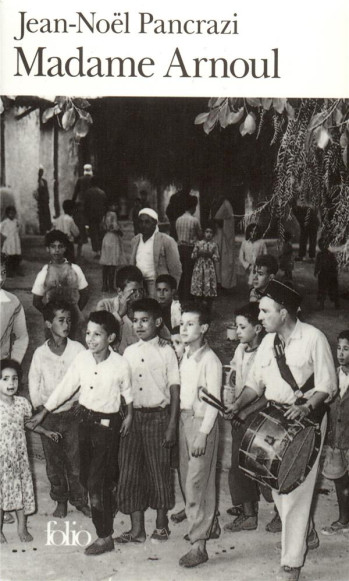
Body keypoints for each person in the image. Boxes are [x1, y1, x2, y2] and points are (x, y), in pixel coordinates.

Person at [229, 279, 337, 581]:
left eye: (265, 311)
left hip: (307, 420)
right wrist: (237, 405)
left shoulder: (314, 338)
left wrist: (306, 406)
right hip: (274, 417)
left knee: (295, 493)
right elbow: (255, 384)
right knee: (277, 485)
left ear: (284, 312)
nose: (259, 317)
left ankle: (291, 564)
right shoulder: (267, 342)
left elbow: (328, 385)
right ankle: (306, 533)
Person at [26, 311, 133, 556]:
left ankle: (104, 536)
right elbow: (66, 387)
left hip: (108, 426)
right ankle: (111, 488)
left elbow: (128, 393)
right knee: (86, 478)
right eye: (88, 333)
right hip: (84, 423)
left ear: (111, 337)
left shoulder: (120, 363)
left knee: (95, 485)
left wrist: (130, 416)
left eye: (97, 334)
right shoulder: (83, 359)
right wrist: (45, 412)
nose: (91, 339)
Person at [116, 298, 180, 543]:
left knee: (159, 471)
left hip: (158, 418)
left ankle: (161, 525)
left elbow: (174, 390)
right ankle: (137, 530)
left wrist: (172, 425)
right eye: (135, 321)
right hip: (132, 419)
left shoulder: (167, 351)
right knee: (130, 471)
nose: (139, 325)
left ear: (158, 322)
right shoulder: (128, 352)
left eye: (145, 320)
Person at [28, 300, 90, 519]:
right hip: (49, 417)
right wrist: (39, 407)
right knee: (54, 463)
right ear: (48, 324)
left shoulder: (78, 350)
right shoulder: (40, 354)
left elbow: (86, 379)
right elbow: (34, 383)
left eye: (69, 320)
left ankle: (80, 500)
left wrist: (80, 403)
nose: (66, 325)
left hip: (72, 415)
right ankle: (60, 500)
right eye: (60, 320)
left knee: (76, 462)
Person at [178, 301, 222, 568]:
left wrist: (203, 434)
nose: (184, 328)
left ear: (204, 328)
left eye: (190, 324)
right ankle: (208, 525)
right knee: (187, 479)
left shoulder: (211, 360)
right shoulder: (185, 354)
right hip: (185, 419)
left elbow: (215, 402)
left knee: (197, 483)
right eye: (182, 323)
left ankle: (199, 545)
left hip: (201, 422)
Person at [0, 359, 61, 545]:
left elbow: (29, 424)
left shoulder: (22, 403)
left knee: (22, 493)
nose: (11, 384)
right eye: (5, 379)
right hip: (2, 462)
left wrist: (47, 432)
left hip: (19, 461)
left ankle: (22, 528)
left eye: (14, 379)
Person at [224, 303, 265, 533]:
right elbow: (234, 375)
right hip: (240, 412)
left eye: (242, 326)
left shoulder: (264, 354)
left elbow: (268, 393)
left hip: (256, 413)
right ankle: (247, 509)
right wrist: (231, 400)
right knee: (238, 464)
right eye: (236, 326)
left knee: (259, 465)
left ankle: (256, 513)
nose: (237, 331)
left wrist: (244, 411)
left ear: (258, 328)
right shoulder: (240, 350)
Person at [32, 230, 89, 342]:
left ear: (65, 248)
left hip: (74, 319)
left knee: (76, 348)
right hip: (54, 321)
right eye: (53, 247)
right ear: (47, 249)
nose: (57, 250)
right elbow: (36, 301)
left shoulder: (75, 269)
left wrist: (75, 311)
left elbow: (85, 294)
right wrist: (51, 315)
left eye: (60, 246)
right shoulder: (44, 272)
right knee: (55, 349)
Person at [321, 330, 349, 535]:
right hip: (337, 439)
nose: (340, 353)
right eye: (338, 348)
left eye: (346, 349)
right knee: (340, 479)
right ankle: (344, 519)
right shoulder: (333, 374)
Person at [130, 208, 182, 298]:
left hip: (156, 284)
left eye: (147, 222)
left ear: (154, 223)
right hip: (139, 284)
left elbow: (176, 269)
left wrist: (172, 290)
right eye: (141, 222)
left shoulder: (166, 241)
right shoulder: (135, 240)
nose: (143, 225)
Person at [96, 265, 144, 354]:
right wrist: (120, 314)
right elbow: (99, 338)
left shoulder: (146, 308)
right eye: (133, 291)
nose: (138, 295)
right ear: (119, 291)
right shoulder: (105, 306)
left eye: (141, 290)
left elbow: (163, 334)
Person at [0, 253, 28, 363]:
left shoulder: (13, 302)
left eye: (3, 273)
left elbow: (21, 337)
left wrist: (13, 364)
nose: (1, 279)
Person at [176, 195, 201, 301]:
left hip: (180, 249)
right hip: (190, 249)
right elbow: (200, 235)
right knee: (190, 274)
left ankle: (181, 296)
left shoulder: (178, 219)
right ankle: (188, 298)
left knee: (182, 273)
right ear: (193, 207)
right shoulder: (194, 220)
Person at [190, 222, 220, 307]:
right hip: (199, 267)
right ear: (203, 233)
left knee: (207, 282)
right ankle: (198, 300)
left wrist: (211, 255)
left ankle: (207, 301)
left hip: (208, 268)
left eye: (211, 232)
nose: (209, 234)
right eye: (207, 232)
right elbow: (192, 256)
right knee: (199, 281)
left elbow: (217, 258)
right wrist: (198, 253)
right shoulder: (198, 243)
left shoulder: (214, 245)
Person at [210, 196, 236, 290]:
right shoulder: (214, 201)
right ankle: (215, 282)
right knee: (215, 258)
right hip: (215, 234)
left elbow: (230, 219)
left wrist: (219, 221)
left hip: (224, 235)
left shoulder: (226, 204)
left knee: (224, 260)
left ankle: (224, 283)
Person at [100, 204, 125, 292]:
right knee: (112, 263)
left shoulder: (105, 215)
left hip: (106, 238)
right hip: (113, 239)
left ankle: (104, 285)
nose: (115, 206)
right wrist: (120, 231)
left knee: (106, 263)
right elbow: (115, 227)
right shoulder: (113, 214)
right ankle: (111, 286)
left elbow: (102, 227)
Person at [72, 163, 93, 260]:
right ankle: (97, 251)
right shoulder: (93, 180)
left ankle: (79, 251)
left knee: (81, 227)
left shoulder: (80, 180)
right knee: (93, 227)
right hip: (91, 206)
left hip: (82, 206)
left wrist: (72, 203)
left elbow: (75, 193)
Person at [84, 176, 107, 259]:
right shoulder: (102, 193)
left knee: (94, 234)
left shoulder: (88, 193)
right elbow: (105, 206)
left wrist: (86, 217)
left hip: (91, 216)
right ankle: (101, 251)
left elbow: (86, 206)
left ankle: (96, 252)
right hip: (100, 216)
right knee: (101, 233)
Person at [314, 237, 339, 309]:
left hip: (329, 274)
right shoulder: (321, 255)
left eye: (322, 245)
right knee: (323, 289)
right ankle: (322, 304)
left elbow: (335, 264)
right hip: (325, 274)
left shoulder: (329, 255)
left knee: (331, 289)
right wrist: (316, 271)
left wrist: (316, 271)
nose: (321, 247)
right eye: (320, 245)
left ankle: (336, 303)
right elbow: (317, 264)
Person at [0, 206, 22, 277]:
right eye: (10, 213)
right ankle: (9, 272)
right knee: (9, 256)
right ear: (7, 214)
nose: (12, 215)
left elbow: (18, 229)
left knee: (17, 256)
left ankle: (16, 270)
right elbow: (2, 231)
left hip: (15, 241)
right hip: (8, 241)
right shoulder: (5, 222)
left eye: (13, 213)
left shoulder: (16, 221)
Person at [35, 167, 52, 235]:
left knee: (45, 215)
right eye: (40, 172)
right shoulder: (37, 181)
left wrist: (47, 198)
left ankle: (45, 229)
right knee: (41, 216)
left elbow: (46, 191)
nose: (41, 174)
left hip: (44, 201)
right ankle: (42, 229)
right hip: (40, 201)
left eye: (41, 172)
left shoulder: (44, 181)